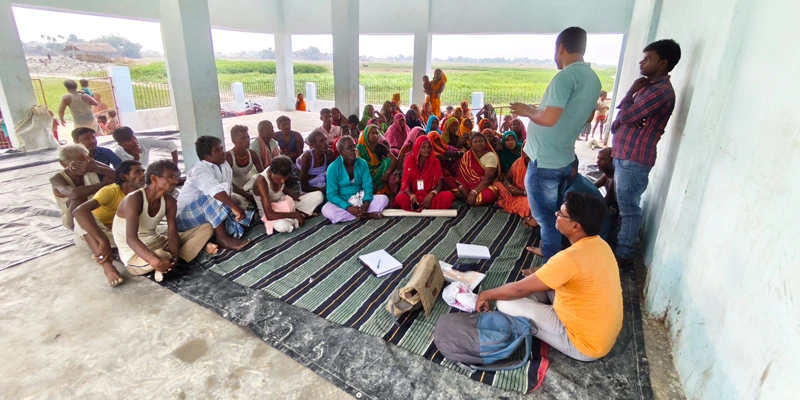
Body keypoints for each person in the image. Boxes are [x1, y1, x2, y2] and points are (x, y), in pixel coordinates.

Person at [476, 192, 622, 362]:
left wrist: (484, 295)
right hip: (600, 333)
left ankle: (528, 323)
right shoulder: (600, 244)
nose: (556, 215)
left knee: (504, 302)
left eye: (561, 214)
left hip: (583, 344)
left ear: (576, 226)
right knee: (535, 286)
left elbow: (518, 289)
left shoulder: (569, 258)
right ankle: (537, 311)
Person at [509, 27, 601, 261]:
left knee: (547, 217)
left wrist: (527, 111)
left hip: (546, 161)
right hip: (564, 157)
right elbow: (588, 117)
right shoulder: (592, 79)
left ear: (560, 48)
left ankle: (550, 258)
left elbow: (549, 119)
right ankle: (559, 251)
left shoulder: (565, 77)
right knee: (558, 211)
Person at [611, 39, 681, 267]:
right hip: (625, 156)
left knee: (629, 209)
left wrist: (630, 95)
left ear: (663, 63)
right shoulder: (647, 88)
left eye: (647, 58)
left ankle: (623, 254)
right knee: (623, 205)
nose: (642, 62)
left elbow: (627, 116)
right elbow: (621, 118)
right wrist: (626, 112)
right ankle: (621, 245)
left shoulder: (659, 92)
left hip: (634, 159)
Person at [114, 160, 217, 282]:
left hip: (158, 242)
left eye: (175, 177)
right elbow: (131, 239)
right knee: (160, 255)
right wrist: (154, 260)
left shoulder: (169, 201)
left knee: (207, 228)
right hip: (134, 254)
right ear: (154, 178)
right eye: (170, 177)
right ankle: (165, 262)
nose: (175, 181)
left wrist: (175, 256)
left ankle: (169, 264)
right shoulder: (134, 199)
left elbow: (172, 233)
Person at [72, 160, 145, 286]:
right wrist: (102, 240)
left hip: (119, 236)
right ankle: (107, 267)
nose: (143, 174)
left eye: (143, 171)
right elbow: (79, 211)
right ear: (124, 177)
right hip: (96, 237)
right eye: (137, 172)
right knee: (80, 220)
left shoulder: (142, 192)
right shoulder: (110, 190)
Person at [176, 136, 254, 250]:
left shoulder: (223, 164)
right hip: (185, 218)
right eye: (217, 150)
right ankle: (222, 238)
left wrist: (249, 197)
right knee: (214, 195)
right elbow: (215, 191)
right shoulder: (199, 170)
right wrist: (234, 206)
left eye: (222, 148)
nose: (222, 152)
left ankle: (212, 236)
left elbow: (229, 185)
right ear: (206, 156)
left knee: (246, 220)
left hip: (207, 214)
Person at [322, 136, 390, 223]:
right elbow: (331, 194)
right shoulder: (333, 168)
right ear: (341, 152)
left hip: (360, 198)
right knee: (327, 210)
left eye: (354, 146)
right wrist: (348, 207)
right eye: (349, 147)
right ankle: (366, 215)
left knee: (383, 199)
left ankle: (360, 213)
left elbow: (367, 185)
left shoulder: (362, 163)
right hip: (343, 200)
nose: (354, 149)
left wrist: (366, 204)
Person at [252, 156, 324, 235]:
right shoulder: (261, 181)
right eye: (278, 179)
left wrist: (293, 196)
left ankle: (298, 217)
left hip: (285, 204)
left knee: (319, 195)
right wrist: (295, 214)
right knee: (283, 226)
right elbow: (269, 215)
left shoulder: (279, 173)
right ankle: (301, 215)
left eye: (285, 178)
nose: (282, 181)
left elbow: (283, 187)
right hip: (270, 212)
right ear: (269, 172)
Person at [51, 145, 116, 231]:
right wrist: (104, 183)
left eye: (85, 161)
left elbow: (120, 176)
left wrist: (97, 168)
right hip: (73, 218)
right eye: (78, 163)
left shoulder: (90, 164)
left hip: (98, 211)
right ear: (63, 164)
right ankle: (83, 227)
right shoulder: (57, 179)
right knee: (79, 197)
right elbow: (74, 194)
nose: (84, 165)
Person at [394, 136, 455, 212]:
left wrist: (431, 195)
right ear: (418, 147)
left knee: (448, 196)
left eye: (429, 147)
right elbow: (404, 182)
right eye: (423, 147)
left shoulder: (435, 162)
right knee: (399, 197)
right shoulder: (409, 161)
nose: (427, 150)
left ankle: (419, 207)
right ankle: (421, 205)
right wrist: (412, 196)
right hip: (414, 195)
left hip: (429, 195)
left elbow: (440, 184)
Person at [456, 132, 499, 206]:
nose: (478, 144)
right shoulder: (467, 155)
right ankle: (465, 194)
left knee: (488, 194)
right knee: (449, 183)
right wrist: (461, 187)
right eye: (475, 142)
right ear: (471, 144)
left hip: (482, 186)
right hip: (467, 184)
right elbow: (461, 175)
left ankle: (468, 198)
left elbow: (488, 179)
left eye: (481, 141)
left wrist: (474, 192)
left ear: (486, 143)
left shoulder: (491, 156)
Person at [495, 148, 535, 227]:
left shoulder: (541, 165)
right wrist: (508, 185)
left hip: (530, 196)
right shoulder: (518, 162)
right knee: (496, 184)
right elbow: (506, 177)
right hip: (514, 191)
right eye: (526, 149)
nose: (527, 153)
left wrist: (521, 192)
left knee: (529, 204)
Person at [358, 125, 401, 195]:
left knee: (388, 161)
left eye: (377, 133)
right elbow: (359, 166)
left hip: (378, 173)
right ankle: (372, 186)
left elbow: (394, 159)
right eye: (372, 133)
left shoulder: (380, 146)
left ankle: (376, 187)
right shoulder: (360, 148)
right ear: (366, 134)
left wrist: (387, 173)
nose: (375, 135)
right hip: (365, 174)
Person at [112, 126, 178, 168]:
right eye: (129, 140)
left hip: (148, 175)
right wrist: (136, 157)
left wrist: (175, 166)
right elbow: (129, 172)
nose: (134, 141)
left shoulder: (144, 142)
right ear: (121, 144)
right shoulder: (118, 153)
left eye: (133, 137)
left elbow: (171, 145)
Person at [225, 125, 265, 190]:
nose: (247, 140)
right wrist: (248, 196)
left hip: (249, 185)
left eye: (248, 137)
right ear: (234, 141)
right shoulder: (228, 157)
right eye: (243, 138)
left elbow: (262, 174)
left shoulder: (252, 154)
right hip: (234, 189)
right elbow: (227, 183)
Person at [297, 129, 333, 194]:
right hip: (310, 188)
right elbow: (304, 187)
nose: (326, 143)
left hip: (323, 185)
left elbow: (331, 175)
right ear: (313, 145)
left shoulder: (329, 153)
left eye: (326, 139)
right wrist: (321, 190)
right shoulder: (306, 157)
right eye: (321, 141)